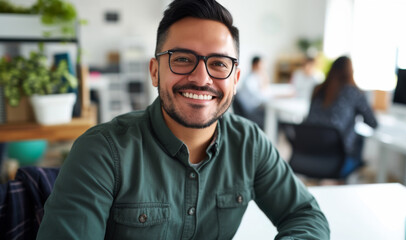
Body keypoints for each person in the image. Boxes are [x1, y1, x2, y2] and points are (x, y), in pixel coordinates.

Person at [37, 0, 329, 239]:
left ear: (236, 79)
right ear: (154, 71)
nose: (201, 79)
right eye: (182, 59)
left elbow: (305, 215)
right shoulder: (102, 152)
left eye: (218, 63)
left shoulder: (248, 144)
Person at [305, 56, 378, 176]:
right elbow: (373, 123)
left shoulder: (318, 89)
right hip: (338, 158)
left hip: (312, 153)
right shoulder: (353, 92)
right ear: (351, 71)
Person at [234, 56, 270, 128]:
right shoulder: (249, 80)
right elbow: (260, 98)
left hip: (253, 109)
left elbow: (264, 91)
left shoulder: (255, 77)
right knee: (271, 118)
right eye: (261, 64)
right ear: (255, 65)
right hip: (250, 113)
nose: (263, 67)